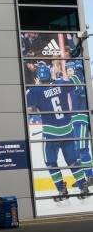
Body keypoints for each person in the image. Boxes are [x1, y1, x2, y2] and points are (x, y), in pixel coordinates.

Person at [26, 62, 87, 200]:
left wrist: (36, 87)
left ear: (38, 77)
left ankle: (62, 190)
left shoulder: (35, 91)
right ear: (50, 74)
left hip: (51, 134)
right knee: (72, 160)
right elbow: (77, 81)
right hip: (67, 130)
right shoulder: (61, 83)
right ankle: (83, 186)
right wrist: (77, 67)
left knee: (51, 162)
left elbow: (25, 104)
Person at [65, 61, 92, 185]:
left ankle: (90, 177)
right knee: (77, 150)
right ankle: (83, 178)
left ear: (75, 70)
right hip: (75, 119)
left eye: (70, 70)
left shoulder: (77, 78)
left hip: (80, 118)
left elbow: (79, 85)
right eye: (67, 70)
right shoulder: (75, 80)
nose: (68, 72)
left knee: (82, 149)